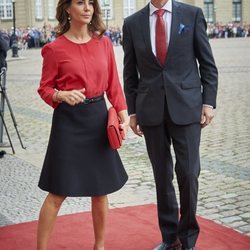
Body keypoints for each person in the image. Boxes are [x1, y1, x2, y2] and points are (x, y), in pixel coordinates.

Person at [122, 0, 218, 250]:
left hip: (187, 107)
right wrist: (132, 111)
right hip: (150, 110)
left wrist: (208, 102)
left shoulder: (192, 15)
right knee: (161, 176)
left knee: (188, 172)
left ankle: (188, 238)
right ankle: (170, 238)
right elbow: (130, 72)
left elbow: (207, 64)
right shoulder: (132, 24)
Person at [37, 1, 129, 250]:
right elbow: (44, 88)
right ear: (67, 8)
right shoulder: (54, 49)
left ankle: (99, 247)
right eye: (80, 2)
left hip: (98, 120)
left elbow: (113, 84)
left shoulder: (104, 43)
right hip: (68, 123)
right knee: (57, 191)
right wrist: (60, 95)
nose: (87, 8)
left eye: (91, 3)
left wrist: (123, 114)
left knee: (100, 190)